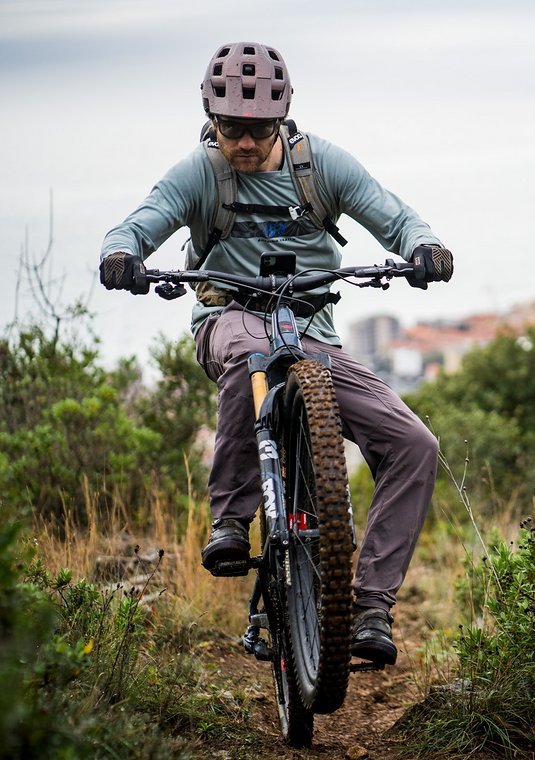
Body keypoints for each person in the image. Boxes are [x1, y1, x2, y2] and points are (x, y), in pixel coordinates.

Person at [98, 42, 453, 666]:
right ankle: (231, 522)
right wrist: (122, 255)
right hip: (227, 321)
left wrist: (425, 246)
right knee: (252, 354)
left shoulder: (321, 167)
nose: (242, 140)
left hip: (312, 332)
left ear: (280, 119)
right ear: (212, 118)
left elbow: (393, 215)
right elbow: (141, 222)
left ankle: (369, 607)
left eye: (257, 129)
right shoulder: (200, 174)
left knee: (415, 444)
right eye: (230, 126)